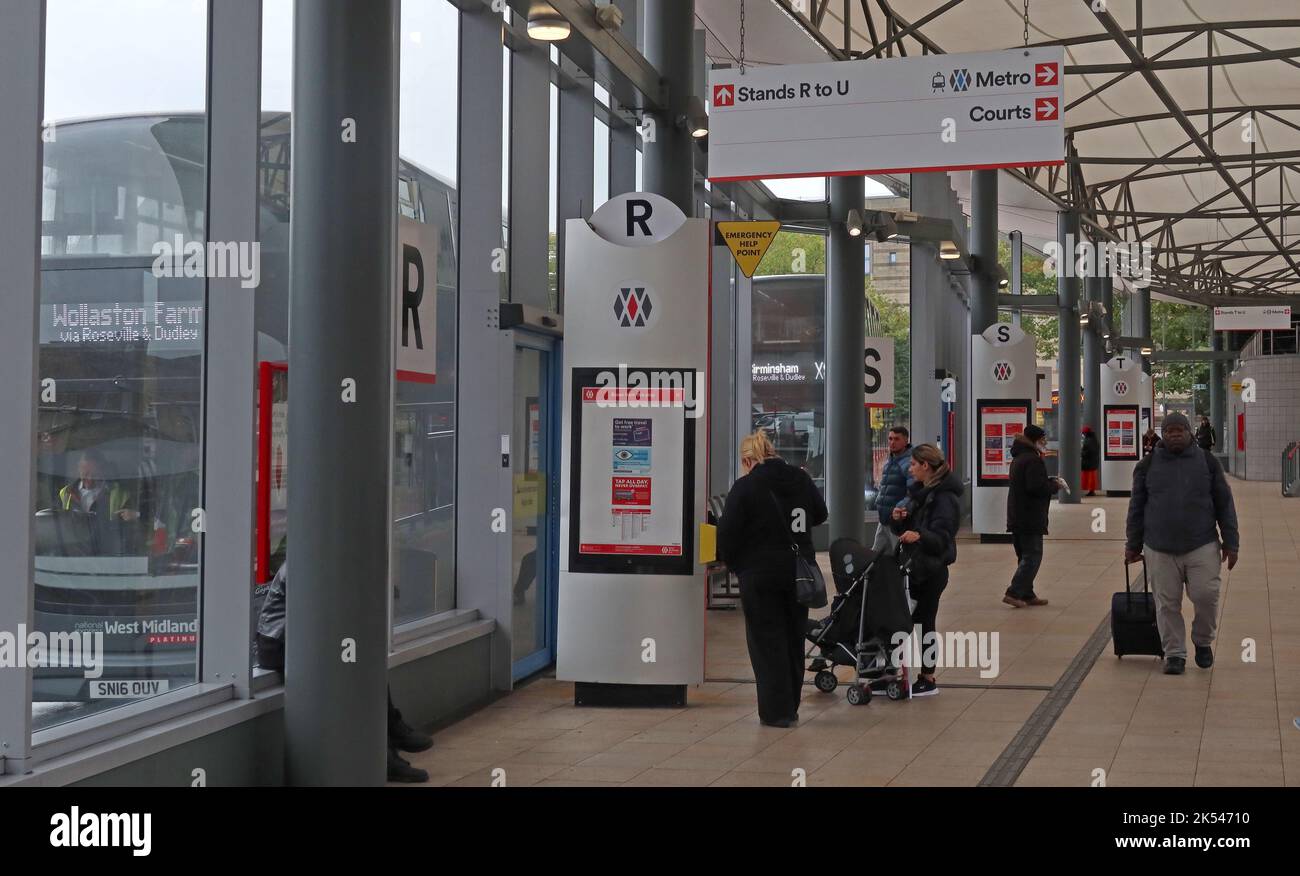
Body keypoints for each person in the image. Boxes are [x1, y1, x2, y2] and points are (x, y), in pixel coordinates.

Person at [255, 561, 435, 781]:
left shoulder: (328, 561)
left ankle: (390, 737)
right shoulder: (310, 561)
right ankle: (386, 751)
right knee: (349, 681)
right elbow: (313, 616)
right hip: (280, 642)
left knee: (366, 666)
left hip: (303, 639)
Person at [717, 430, 827, 727]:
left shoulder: (746, 487)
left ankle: (775, 711)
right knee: (793, 638)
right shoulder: (801, 479)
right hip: (797, 574)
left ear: (748, 460)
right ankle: (790, 706)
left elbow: (726, 533)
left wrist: (737, 564)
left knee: (767, 642)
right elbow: (820, 513)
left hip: (759, 574)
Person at [1124, 411, 1239, 675]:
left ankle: (1202, 641)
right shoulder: (1147, 465)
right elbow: (1136, 508)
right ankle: (1174, 653)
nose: (1175, 434)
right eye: (1169, 431)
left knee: (1206, 595)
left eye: (1180, 430)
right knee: (1166, 603)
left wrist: (1231, 542)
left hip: (1203, 544)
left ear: (1190, 433)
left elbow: (1225, 504)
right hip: (1159, 546)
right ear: (1162, 435)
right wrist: (1133, 544)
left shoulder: (1208, 462)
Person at [889, 443, 962, 697]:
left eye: (913, 464)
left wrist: (918, 535)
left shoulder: (944, 498)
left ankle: (928, 677)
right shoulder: (921, 493)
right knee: (913, 621)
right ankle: (899, 671)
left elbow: (942, 538)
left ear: (925, 466)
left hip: (931, 570)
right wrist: (898, 520)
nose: (910, 469)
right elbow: (907, 529)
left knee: (925, 623)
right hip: (914, 566)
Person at [1005, 424, 1060, 608]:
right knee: (1033, 556)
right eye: (1042, 440)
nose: (1044, 443)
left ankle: (1027, 594)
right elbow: (1036, 488)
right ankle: (1014, 592)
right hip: (1029, 516)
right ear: (1035, 441)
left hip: (1017, 515)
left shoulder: (1019, 458)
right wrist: (1054, 486)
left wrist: (1047, 481)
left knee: (1024, 555)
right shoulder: (1032, 460)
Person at [873, 426, 915, 553]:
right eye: (890, 439)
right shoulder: (889, 462)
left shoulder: (908, 464)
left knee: (898, 555)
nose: (892, 442)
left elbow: (912, 492)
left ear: (906, 441)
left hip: (896, 520)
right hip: (884, 519)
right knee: (875, 555)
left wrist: (900, 508)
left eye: (897, 439)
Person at [1081, 426, 1101, 496]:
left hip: (1088, 462)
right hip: (1093, 462)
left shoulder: (1088, 440)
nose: (1083, 434)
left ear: (1086, 433)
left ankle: (1090, 490)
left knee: (1088, 478)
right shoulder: (1093, 439)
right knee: (1091, 478)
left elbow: (1087, 451)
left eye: (1083, 433)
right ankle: (1091, 490)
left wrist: (1081, 453)